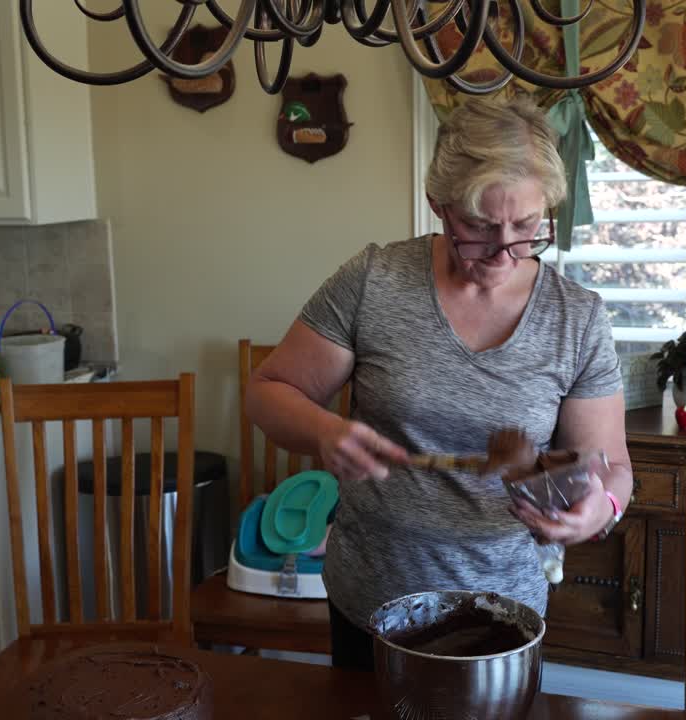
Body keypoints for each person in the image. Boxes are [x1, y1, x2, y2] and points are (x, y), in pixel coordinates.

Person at [245, 95, 634, 670]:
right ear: (439, 206)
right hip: (370, 602)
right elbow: (267, 392)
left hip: (503, 615)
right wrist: (324, 431)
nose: (504, 252)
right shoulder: (375, 280)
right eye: (479, 227)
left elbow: (614, 468)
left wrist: (601, 506)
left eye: (526, 225)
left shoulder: (576, 318)